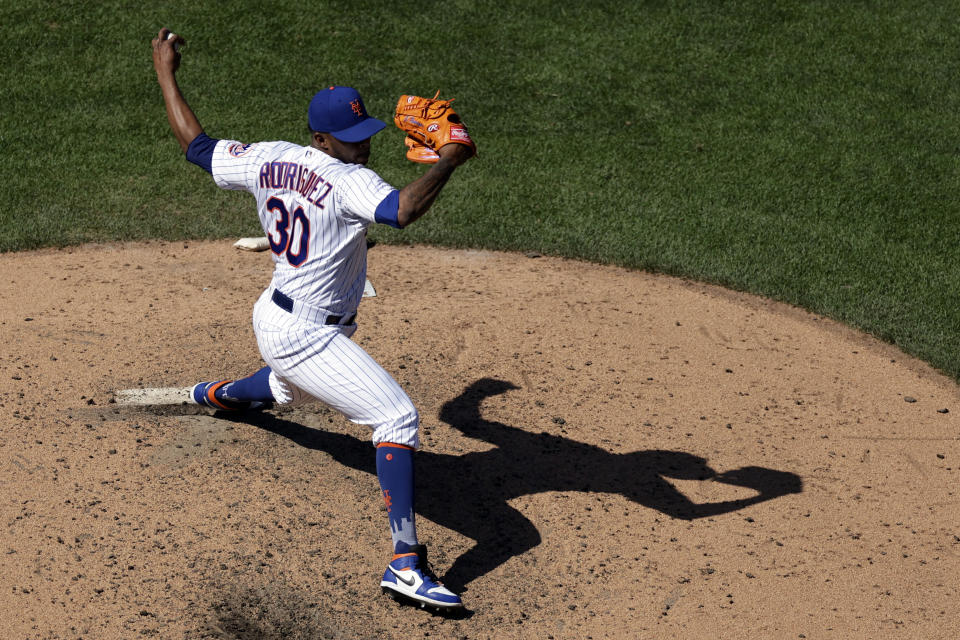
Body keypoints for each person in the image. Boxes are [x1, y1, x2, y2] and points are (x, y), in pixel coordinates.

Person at [151, 28, 473, 609]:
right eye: (350, 139)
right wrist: (449, 158)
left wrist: (165, 72)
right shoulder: (350, 182)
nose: (364, 146)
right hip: (304, 334)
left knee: (287, 389)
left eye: (366, 134)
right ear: (322, 138)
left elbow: (197, 147)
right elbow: (402, 210)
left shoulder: (268, 157)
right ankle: (404, 564)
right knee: (397, 417)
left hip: (279, 319)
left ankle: (225, 395)